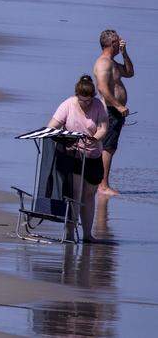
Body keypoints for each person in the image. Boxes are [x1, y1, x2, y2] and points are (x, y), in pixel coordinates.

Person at [46, 75, 109, 242]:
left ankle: (88, 234)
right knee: (75, 193)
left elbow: (104, 128)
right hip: (73, 155)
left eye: (89, 101)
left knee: (89, 194)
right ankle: (70, 232)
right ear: (77, 95)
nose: (86, 104)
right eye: (83, 101)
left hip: (93, 155)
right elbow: (51, 127)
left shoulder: (98, 105)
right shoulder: (68, 104)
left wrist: (95, 137)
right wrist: (65, 140)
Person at [93, 30, 133, 196]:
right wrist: (118, 106)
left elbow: (130, 73)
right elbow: (102, 88)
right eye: (118, 41)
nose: (121, 42)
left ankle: (102, 184)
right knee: (108, 148)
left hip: (115, 111)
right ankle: (103, 185)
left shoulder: (113, 63)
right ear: (111, 44)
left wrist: (125, 54)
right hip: (109, 110)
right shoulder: (103, 63)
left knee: (111, 147)